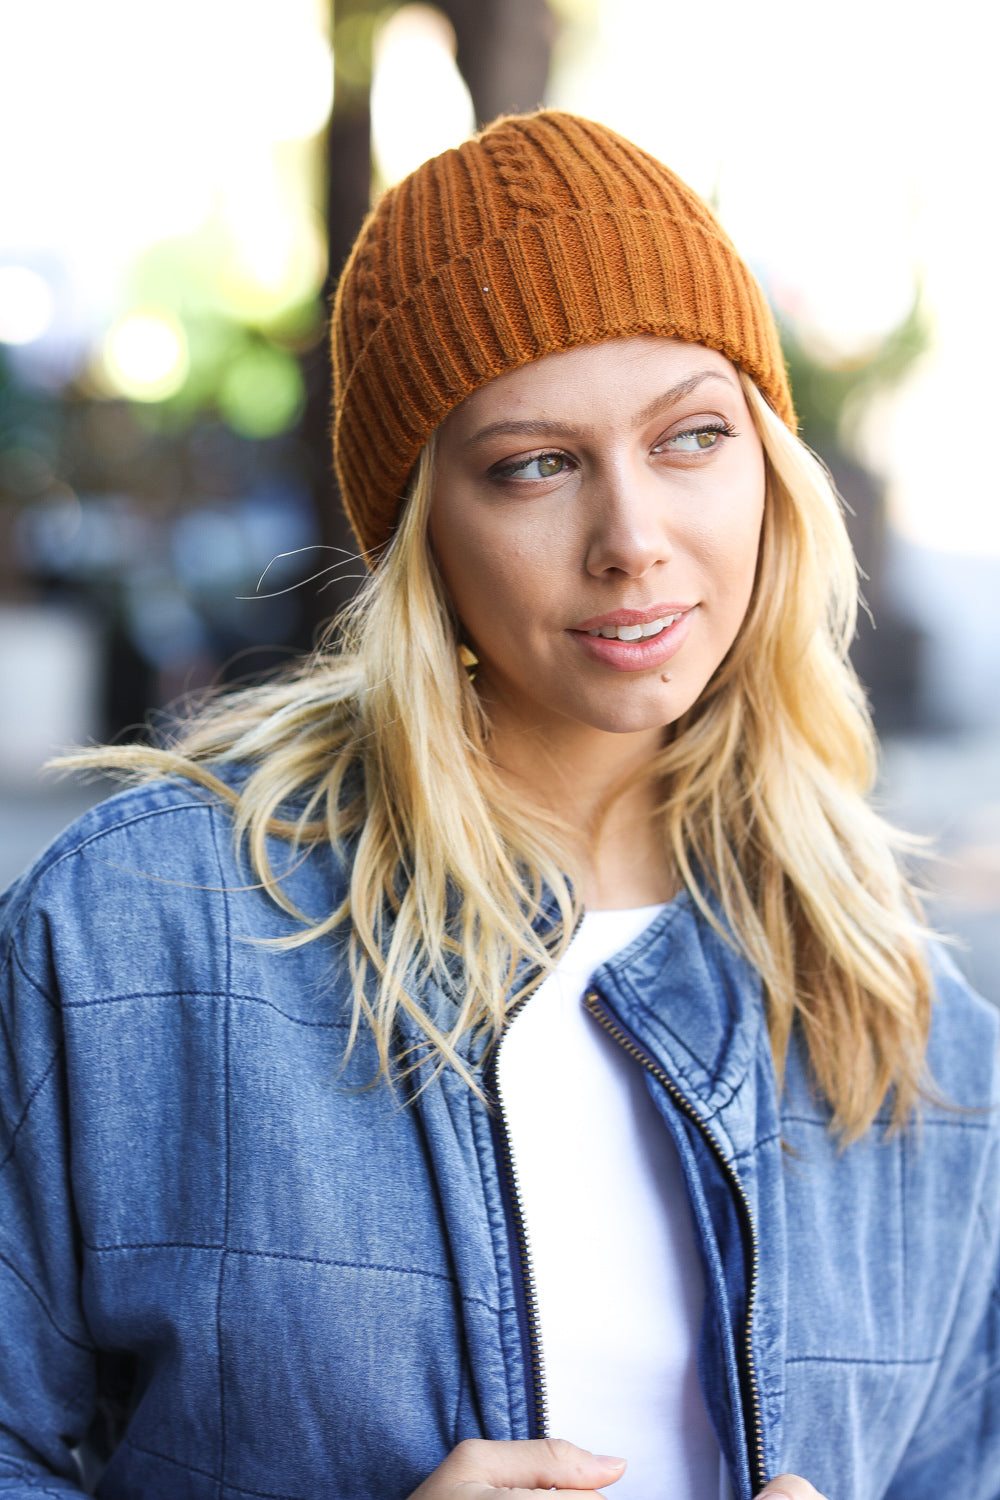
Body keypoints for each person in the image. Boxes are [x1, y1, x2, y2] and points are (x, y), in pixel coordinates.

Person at [0, 110, 997, 1500]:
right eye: (536, 464)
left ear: (772, 470)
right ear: (422, 532)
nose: (633, 539)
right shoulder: (135, 940)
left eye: (692, 438)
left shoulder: (914, 1024)